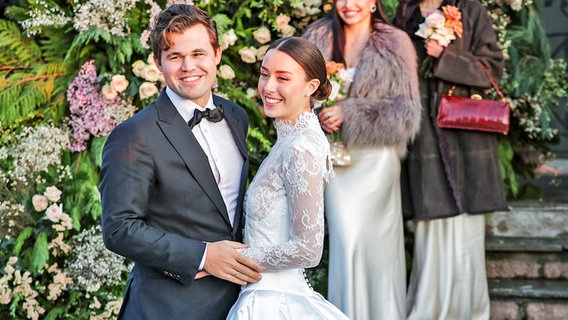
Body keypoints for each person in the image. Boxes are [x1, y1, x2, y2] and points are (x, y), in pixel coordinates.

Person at [100, 4, 262, 319]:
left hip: (239, 300)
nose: (189, 66)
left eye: (198, 54)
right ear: (158, 63)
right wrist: (202, 256)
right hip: (169, 305)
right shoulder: (133, 135)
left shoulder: (236, 117)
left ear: (217, 54)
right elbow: (119, 228)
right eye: (175, 56)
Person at [302, 0, 422, 319]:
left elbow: (406, 112)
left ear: (374, 3)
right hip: (336, 161)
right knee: (347, 240)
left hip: (377, 161)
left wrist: (350, 113)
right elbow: (297, 95)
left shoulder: (395, 43)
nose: (349, 4)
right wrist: (320, 115)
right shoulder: (316, 37)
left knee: (379, 248)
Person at [394, 0, 507, 318]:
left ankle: (468, 311)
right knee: (429, 227)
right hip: (422, 137)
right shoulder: (405, 14)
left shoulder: (470, 9)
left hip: (465, 135)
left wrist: (446, 56)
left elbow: (491, 69)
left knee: (465, 227)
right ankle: (429, 308)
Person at [226, 36, 349, 320]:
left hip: (273, 301)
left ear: (311, 86)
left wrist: (230, 260)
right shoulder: (289, 138)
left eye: (283, 78)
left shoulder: (300, 147)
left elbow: (308, 249)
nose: (268, 87)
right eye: (264, 74)